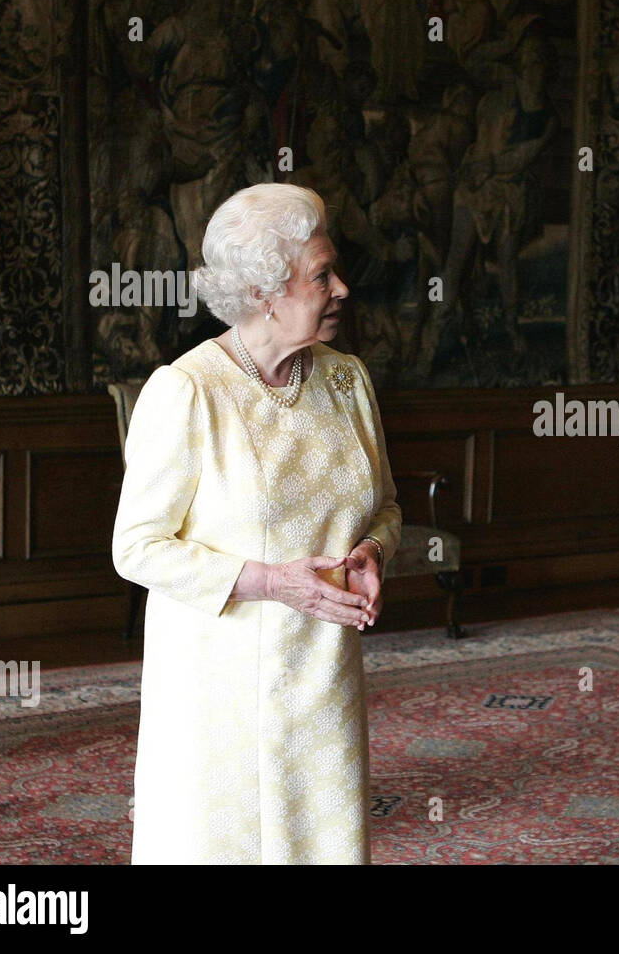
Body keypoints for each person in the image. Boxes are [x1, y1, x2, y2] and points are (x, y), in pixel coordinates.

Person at [112, 183, 401, 864]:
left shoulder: (346, 381)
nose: (342, 289)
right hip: (219, 689)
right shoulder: (188, 391)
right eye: (322, 274)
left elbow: (386, 506)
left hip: (324, 675)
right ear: (264, 292)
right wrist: (269, 580)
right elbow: (135, 547)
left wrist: (372, 551)